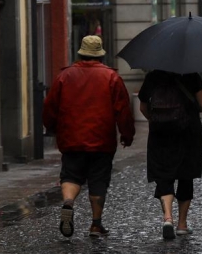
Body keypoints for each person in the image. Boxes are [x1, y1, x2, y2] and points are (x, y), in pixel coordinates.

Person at [43, 35, 135, 238]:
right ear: (101, 55)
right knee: (98, 180)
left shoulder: (64, 77)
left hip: (71, 138)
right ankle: (95, 224)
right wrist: (127, 135)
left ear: (80, 52)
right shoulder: (111, 77)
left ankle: (68, 203)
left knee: (70, 175)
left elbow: (50, 107)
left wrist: (52, 127)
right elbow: (123, 110)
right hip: (102, 140)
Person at [138, 70, 202, 240]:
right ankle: (182, 225)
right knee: (186, 177)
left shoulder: (152, 76)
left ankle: (167, 219)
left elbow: (142, 107)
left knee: (164, 176)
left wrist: (156, 119)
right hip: (188, 133)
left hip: (160, 134)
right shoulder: (191, 75)